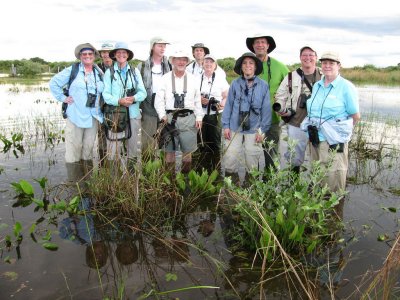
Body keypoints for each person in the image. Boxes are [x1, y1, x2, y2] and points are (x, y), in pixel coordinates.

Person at [301, 51, 360, 193]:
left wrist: (339, 135)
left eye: (331, 63)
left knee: (333, 180)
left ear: (339, 66)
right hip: (315, 138)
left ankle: (335, 212)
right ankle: (318, 210)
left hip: (334, 141)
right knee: (317, 175)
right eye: (324, 62)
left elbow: (355, 116)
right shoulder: (317, 86)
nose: (327, 66)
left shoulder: (346, 87)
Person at [49, 43, 104, 180]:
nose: (87, 56)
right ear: (80, 56)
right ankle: (74, 184)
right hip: (75, 116)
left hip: (93, 117)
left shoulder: (99, 72)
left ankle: (87, 181)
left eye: (90, 54)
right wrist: (63, 98)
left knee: (88, 150)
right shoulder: (72, 70)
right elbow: (53, 83)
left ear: (94, 56)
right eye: (84, 54)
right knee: (73, 152)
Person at [221, 52, 271, 184]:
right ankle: (231, 187)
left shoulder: (263, 85)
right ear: (241, 66)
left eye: (251, 63)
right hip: (234, 126)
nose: (247, 65)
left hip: (254, 128)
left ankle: (251, 188)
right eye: (244, 63)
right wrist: (225, 125)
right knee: (230, 157)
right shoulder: (235, 84)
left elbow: (266, 110)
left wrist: (263, 130)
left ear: (255, 67)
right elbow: (228, 106)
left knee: (252, 159)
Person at [154, 49, 204, 174]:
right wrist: (162, 116)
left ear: (187, 62)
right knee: (169, 152)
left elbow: (197, 101)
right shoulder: (164, 78)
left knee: (187, 152)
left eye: (184, 59)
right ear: (173, 61)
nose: (181, 62)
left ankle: (185, 179)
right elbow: (159, 100)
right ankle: (169, 182)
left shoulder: (193, 79)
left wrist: (199, 118)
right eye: (178, 59)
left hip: (189, 118)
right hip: (169, 118)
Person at [275, 46, 322, 173]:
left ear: (316, 58)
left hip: (320, 125)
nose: (308, 58)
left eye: (311, 55)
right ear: (300, 58)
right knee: (294, 158)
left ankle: (315, 187)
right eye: (304, 55)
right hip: (296, 123)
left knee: (319, 158)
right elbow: (280, 96)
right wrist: (281, 109)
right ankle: (294, 187)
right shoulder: (290, 76)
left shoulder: (325, 75)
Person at [246, 33, 289, 172]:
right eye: (257, 42)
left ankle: (269, 189)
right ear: (253, 46)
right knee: (251, 158)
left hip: (273, 119)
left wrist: (283, 98)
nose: (260, 45)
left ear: (268, 46)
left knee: (271, 157)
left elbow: (292, 87)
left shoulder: (280, 67)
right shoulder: (247, 65)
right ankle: (251, 188)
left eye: (263, 42)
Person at [102, 42, 147, 171]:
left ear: (128, 55)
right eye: (118, 53)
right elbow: (105, 95)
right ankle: (114, 180)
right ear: (115, 55)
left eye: (124, 53)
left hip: (133, 114)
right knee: (113, 150)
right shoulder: (109, 73)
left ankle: (131, 179)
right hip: (115, 115)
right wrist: (119, 101)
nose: (121, 55)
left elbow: (142, 92)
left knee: (132, 149)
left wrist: (133, 98)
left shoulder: (134, 71)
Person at [137, 37, 172, 157]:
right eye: (160, 45)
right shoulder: (141, 66)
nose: (163, 48)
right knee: (147, 144)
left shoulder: (170, 66)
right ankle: (148, 173)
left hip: (166, 108)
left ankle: (163, 174)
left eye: (164, 46)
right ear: (152, 47)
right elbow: (138, 88)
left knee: (166, 144)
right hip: (148, 109)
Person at [197, 54, 229, 171]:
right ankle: (202, 168)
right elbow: (191, 96)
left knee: (215, 143)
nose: (208, 64)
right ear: (202, 64)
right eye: (206, 62)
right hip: (200, 115)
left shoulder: (220, 79)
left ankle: (216, 169)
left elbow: (227, 95)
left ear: (215, 65)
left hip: (215, 115)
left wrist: (222, 103)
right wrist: (199, 99)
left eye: (211, 62)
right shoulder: (196, 78)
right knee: (201, 142)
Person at [97, 42, 114, 165]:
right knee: (102, 136)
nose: (106, 54)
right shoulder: (95, 68)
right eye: (103, 52)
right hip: (100, 107)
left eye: (108, 52)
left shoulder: (119, 67)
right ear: (101, 54)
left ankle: (116, 160)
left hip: (116, 108)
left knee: (117, 136)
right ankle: (103, 163)